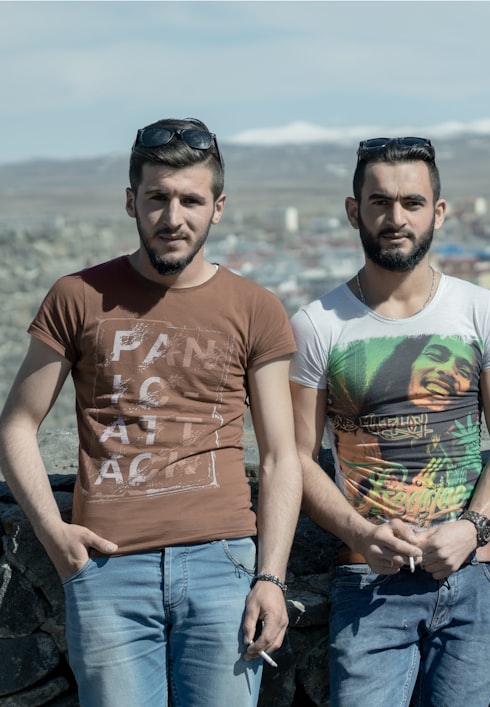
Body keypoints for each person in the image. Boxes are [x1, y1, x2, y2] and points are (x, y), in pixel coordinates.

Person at [0, 118, 302, 706]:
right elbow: (16, 424)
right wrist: (53, 534)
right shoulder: (78, 296)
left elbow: (281, 455)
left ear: (218, 207)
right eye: (158, 197)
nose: (173, 217)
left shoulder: (256, 308)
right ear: (131, 201)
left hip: (225, 567)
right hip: (108, 570)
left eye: (191, 199)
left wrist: (271, 577)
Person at [290, 136, 490, 707]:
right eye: (380, 202)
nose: (396, 218)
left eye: (413, 203)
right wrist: (362, 535)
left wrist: (472, 528)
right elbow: (296, 458)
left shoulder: (481, 310)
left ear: (437, 212)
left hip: (473, 576)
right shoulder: (316, 325)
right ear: (355, 211)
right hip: (369, 581)